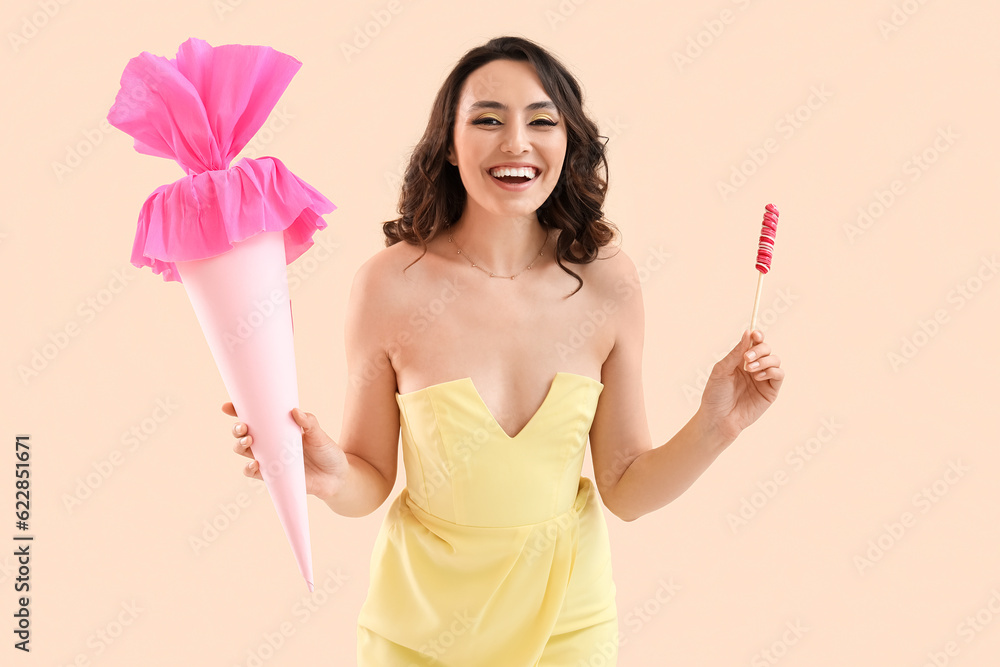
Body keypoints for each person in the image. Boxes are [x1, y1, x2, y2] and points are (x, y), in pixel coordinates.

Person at [222, 35, 783, 666]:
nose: (516, 142)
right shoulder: (386, 286)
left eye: (541, 121)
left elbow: (625, 487)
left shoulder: (609, 281)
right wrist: (326, 474)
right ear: (449, 146)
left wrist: (717, 425)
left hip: (569, 625)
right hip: (420, 629)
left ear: (568, 143)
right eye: (487, 119)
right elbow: (369, 482)